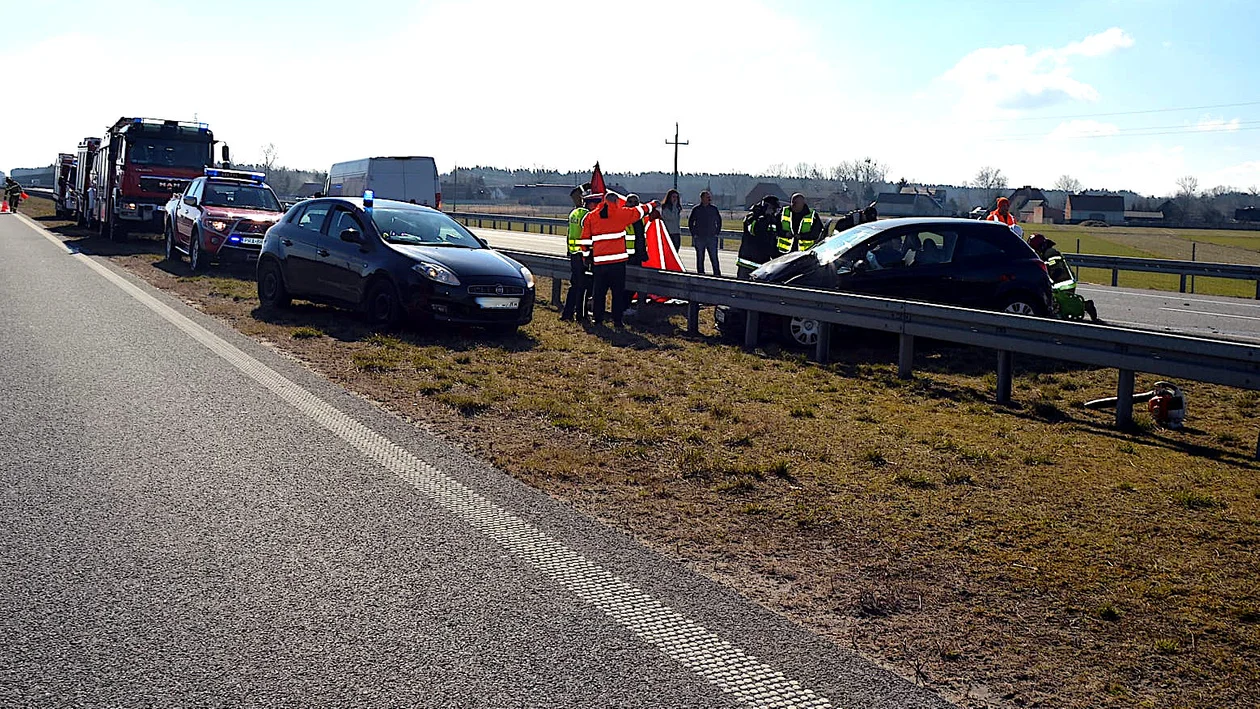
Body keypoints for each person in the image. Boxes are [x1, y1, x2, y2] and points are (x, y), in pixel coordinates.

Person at [580, 191, 657, 327]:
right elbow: (639, 211)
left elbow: (585, 240)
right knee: (618, 293)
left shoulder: (591, 217)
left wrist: (586, 258)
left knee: (599, 293)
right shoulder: (621, 214)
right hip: (618, 263)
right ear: (616, 202)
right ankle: (617, 320)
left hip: (599, 263)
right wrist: (653, 204)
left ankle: (598, 319)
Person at [561, 186, 598, 321]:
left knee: (575, 285)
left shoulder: (574, 213)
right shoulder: (586, 215)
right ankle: (580, 315)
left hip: (574, 254)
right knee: (583, 286)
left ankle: (567, 314)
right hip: (584, 255)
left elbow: (569, 233)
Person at [737, 195, 781, 278]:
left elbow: (772, 239)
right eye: (773, 209)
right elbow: (754, 230)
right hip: (747, 262)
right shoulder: (751, 217)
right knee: (742, 287)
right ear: (766, 206)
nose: (775, 212)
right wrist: (763, 217)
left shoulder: (772, 220)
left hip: (763, 262)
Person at [687, 190, 723, 276]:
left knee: (714, 258)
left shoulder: (713, 209)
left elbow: (719, 221)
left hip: (711, 237)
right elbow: (691, 222)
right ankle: (701, 274)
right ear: (702, 198)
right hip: (699, 237)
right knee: (700, 258)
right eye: (707, 197)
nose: (709, 199)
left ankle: (717, 275)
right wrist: (694, 234)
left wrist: (716, 232)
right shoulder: (696, 209)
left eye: (709, 197)